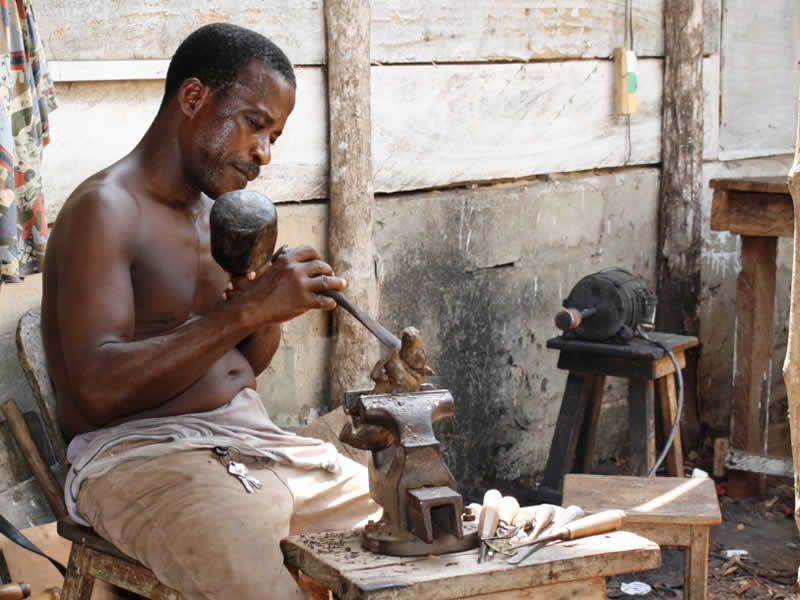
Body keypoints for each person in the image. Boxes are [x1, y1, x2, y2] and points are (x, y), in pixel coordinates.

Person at [41, 23, 379, 599]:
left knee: (406, 541)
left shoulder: (218, 214)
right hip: (143, 459)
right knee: (259, 590)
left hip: (254, 446)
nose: (264, 154)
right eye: (254, 124)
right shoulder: (106, 210)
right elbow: (96, 389)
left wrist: (269, 307)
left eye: (274, 135)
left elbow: (241, 368)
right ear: (194, 98)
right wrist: (243, 313)